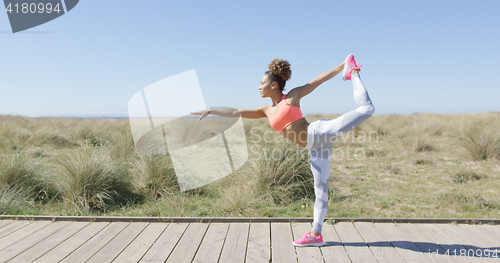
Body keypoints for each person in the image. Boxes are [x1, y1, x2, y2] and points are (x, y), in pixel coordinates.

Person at [190, 55, 374, 247]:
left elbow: (319, 80)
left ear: (274, 85)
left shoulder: (292, 97)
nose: (259, 86)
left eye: (262, 83)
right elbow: (237, 112)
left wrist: (343, 66)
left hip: (318, 132)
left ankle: (353, 72)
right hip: (316, 147)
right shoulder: (266, 110)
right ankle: (316, 235)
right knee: (321, 192)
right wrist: (211, 110)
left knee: (367, 109)